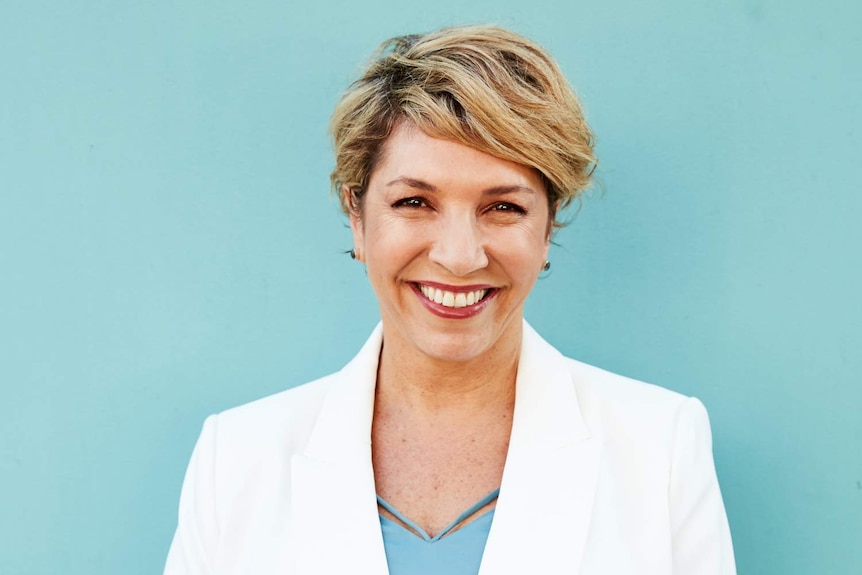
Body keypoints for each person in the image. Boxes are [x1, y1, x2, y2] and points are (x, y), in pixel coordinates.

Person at [163, 25, 736, 575]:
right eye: (414, 202)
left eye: (504, 207)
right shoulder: (236, 457)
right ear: (357, 219)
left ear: (547, 228)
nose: (460, 256)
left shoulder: (660, 447)